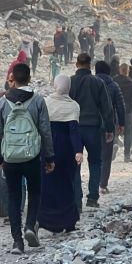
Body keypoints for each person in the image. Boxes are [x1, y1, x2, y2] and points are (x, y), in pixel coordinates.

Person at [0, 63, 55, 253]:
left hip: (10, 158)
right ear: (29, 78)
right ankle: (30, 226)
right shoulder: (37, 101)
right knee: (35, 192)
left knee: (13, 197)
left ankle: (17, 241)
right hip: (32, 156)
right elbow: (45, 130)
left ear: (13, 78)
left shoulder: (3, 102)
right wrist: (49, 156)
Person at [69, 53, 114, 208]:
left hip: (74, 128)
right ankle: (93, 198)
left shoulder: (70, 82)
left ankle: (75, 199)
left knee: (75, 163)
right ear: (90, 65)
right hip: (93, 128)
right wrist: (109, 129)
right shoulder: (98, 82)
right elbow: (106, 108)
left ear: (76, 64)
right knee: (95, 161)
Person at [40, 74, 83, 233]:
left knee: (48, 184)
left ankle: (47, 221)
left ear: (54, 85)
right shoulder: (73, 106)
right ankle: (68, 222)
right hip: (66, 150)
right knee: (67, 184)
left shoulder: (45, 103)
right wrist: (78, 151)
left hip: (48, 148)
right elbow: (74, 131)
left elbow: (42, 128)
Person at [94, 61, 125, 193]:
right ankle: (103, 184)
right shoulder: (114, 85)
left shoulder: (90, 84)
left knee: (94, 156)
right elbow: (120, 106)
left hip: (92, 124)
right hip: (109, 124)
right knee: (106, 156)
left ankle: (93, 183)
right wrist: (122, 123)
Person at [114, 63, 132, 163]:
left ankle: (114, 144)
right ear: (128, 71)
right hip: (128, 111)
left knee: (114, 130)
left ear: (119, 70)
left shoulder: (114, 81)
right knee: (128, 133)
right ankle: (127, 155)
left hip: (116, 110)